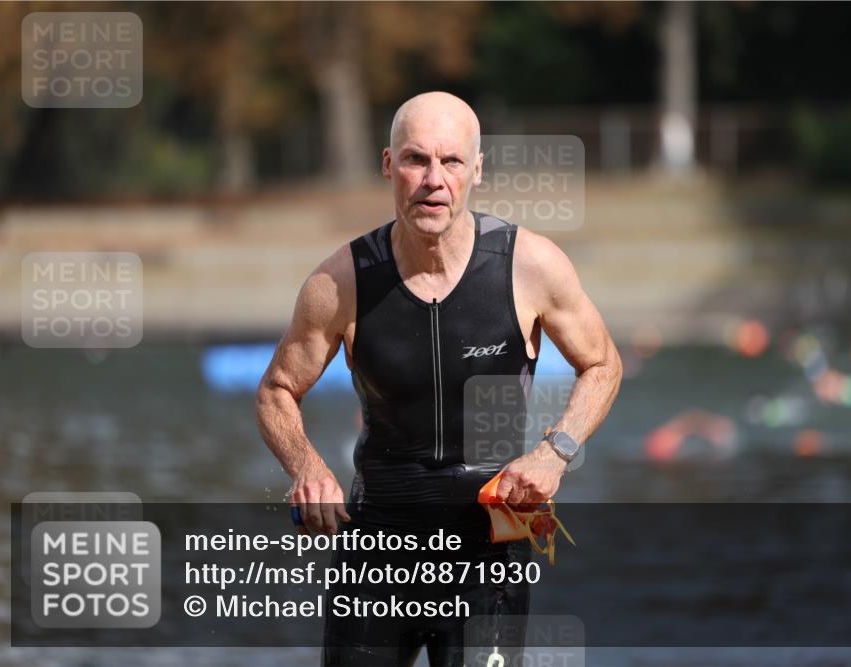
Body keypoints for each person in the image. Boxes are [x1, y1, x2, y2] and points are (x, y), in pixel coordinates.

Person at [255, 91, 622, 667]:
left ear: (476, 170)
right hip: (375, 552)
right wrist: (306, 466)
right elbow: (277, 389)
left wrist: (556, 452)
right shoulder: (341, 282)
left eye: (451, 162)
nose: (433, 180)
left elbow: (602, 365)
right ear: (387, 165)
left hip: (487, 555)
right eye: (415, 159)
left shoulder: (530, 266)